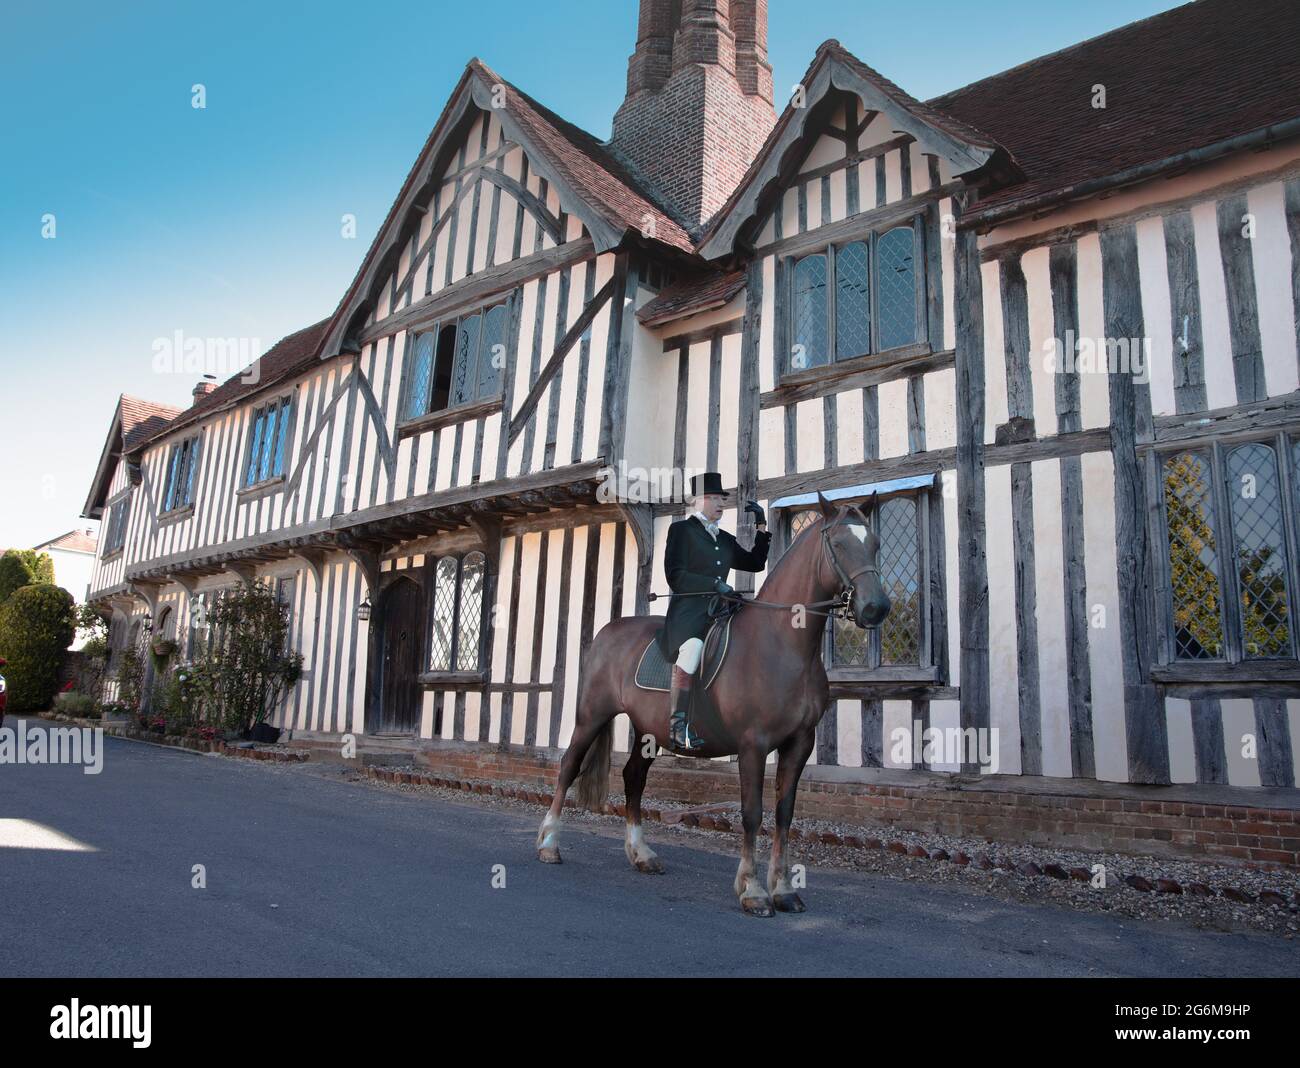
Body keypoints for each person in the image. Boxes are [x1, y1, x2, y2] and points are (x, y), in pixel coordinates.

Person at [658, 472, 770, 751]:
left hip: (720, 613)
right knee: (693, 649)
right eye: (714, 498)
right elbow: (675, 575)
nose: (721, 503)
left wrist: (761, 525)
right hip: (689, 615)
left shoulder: (725, 539)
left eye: (722, 498)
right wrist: (714, 583)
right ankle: (678, 726)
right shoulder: (681, 531)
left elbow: (755, 563)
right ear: (698, 501)